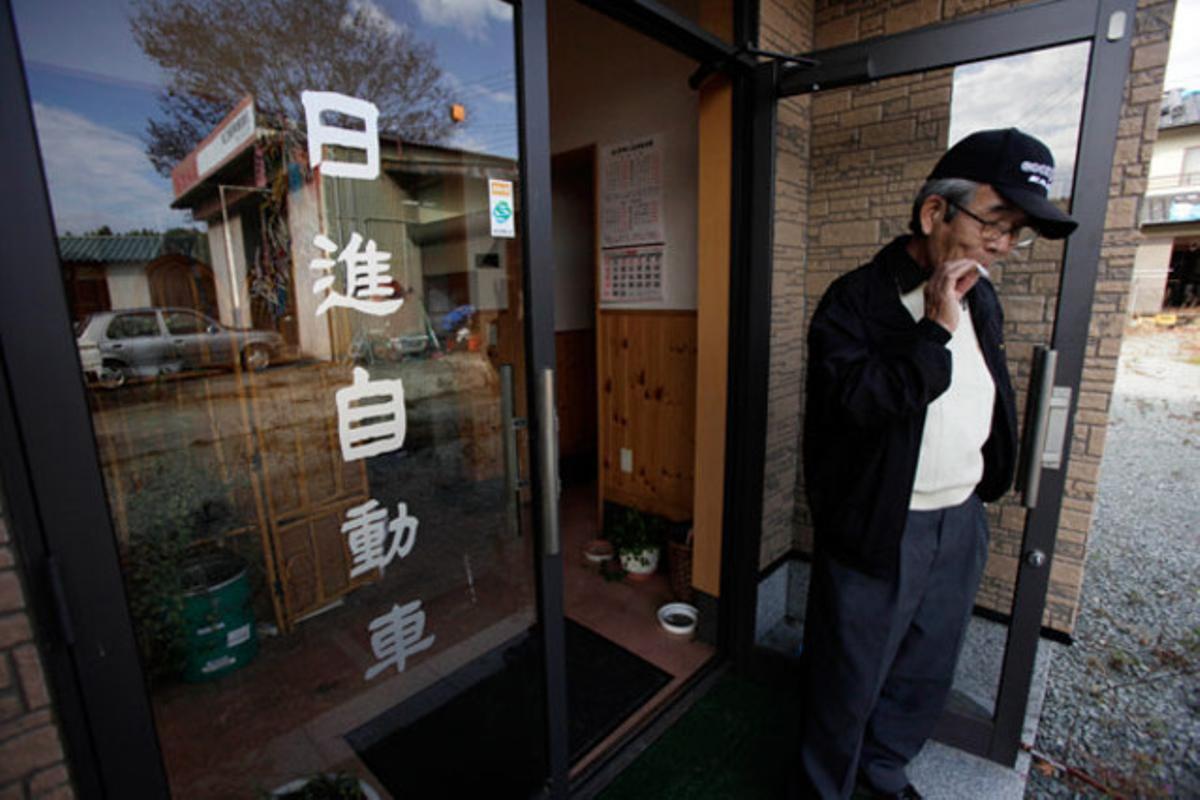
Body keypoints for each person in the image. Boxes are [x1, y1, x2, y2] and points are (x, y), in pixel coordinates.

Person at [796, 128, 1078, 799]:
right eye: (997, 224)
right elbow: (857, 404)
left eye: (1018, 233)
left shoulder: (981, 293)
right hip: (881, 530)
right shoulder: (855, 300)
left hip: (959, 521)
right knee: (846, 687)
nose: (1004, 246)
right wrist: (934, 330)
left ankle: (881, 778)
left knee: (923, 675)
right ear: (933, 214)